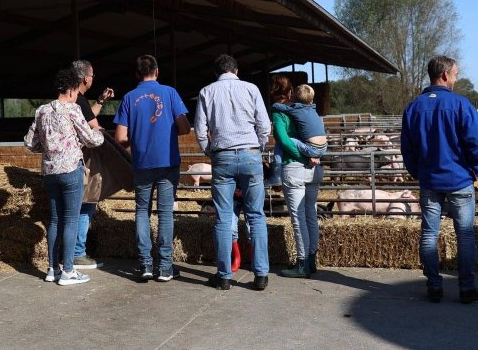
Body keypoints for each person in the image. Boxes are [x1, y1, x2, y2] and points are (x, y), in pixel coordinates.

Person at [401, 55, 478, 304]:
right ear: (445, 75)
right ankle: (467, 288)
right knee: (465, 235)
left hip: (429, 179)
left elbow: (407, 147)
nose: (457, 79)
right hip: (459, 179)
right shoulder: (461, 105)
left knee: (429, 233)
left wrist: (417, 172)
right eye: (456, 74)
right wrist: (476, 169)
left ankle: (434, 286)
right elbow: (477, 142)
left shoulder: (414, 107)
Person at [194, 54, 271, 291]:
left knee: (224, 216)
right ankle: (260, 275)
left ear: (216, 72)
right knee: (255, 214)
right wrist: (257, 148)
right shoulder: (251, 89)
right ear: (236, 70)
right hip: (250, 153)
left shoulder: (207, 92)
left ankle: (224, 275)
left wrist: (210, 151)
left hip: (223, 155)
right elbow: (264, 125)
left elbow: (200, 128)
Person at [114, 55, 190, 281]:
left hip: (142, 163)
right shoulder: (169, 93)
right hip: (168, 161)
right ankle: (165, 267)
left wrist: (136, 141)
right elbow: (185, 127)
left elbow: (120, 137)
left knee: (142, 211)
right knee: (165, 213)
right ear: (157, 71)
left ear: (137, 74)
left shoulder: (129, 97)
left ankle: (146, 264)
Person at [25, 69, 104, 286]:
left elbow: (30, 143)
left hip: (50, 171)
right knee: (71, 219)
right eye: (77, 91)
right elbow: (91, 139)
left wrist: (50, 146)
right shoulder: (73, 109)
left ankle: (52, 268)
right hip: (70, 169)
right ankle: (69, 270)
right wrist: (101, 136)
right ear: (71, 89)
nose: (77, 95)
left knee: (55, 219)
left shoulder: (42, 110)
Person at [270, 76, 326, 278]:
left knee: (298, 217)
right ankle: (312, 260)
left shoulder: (279, 113)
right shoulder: (305, 108)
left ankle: (301, 263)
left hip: (294, 167)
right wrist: (313, 155)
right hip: (314, 167)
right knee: (311, 213)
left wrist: (304, 155)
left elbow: (284, 141)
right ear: (291, 92)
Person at [70, 60, 115, 270]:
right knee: (86, 204)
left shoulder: (75, 99)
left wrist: (100, 101)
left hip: (67, 162)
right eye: (93, 76)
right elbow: (93, 127)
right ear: (86, 78)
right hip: (82, 160)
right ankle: (78, 253)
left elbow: (88, 116)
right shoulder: (77, 99)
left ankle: (69, 253)